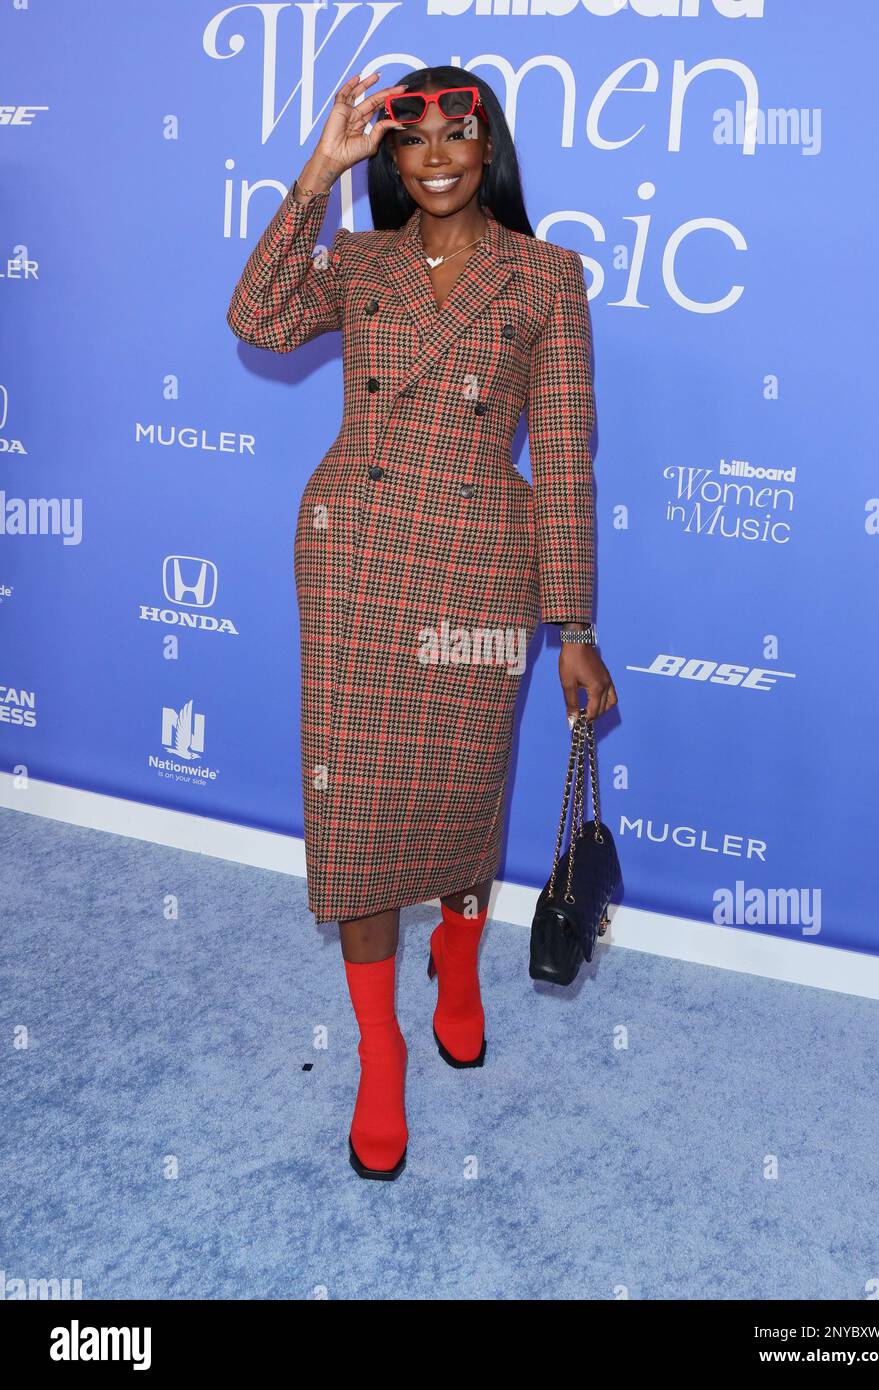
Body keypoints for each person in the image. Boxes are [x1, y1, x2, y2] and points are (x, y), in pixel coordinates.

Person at [227, 66, 617, 1181]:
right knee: (354, 810)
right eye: (410, 137)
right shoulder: (354, 263)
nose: (435, 153)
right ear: (388, 159)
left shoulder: (545, 275)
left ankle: (457, 950)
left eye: (458, 131)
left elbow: (566, 462)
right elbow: (254, 317)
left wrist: (573, 619)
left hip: (479, 566)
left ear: (485, 146)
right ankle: (379, 1049)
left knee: (457, 793)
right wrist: (317, 172)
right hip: (353, 559)